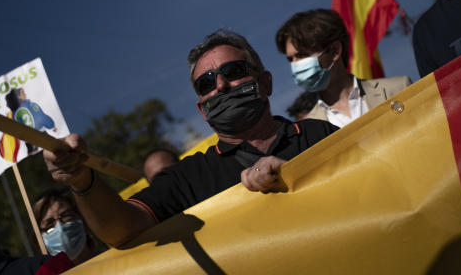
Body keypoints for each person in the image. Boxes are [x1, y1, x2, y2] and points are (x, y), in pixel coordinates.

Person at [42, 29, 337, 248]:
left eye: (233, 71)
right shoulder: (186, 178)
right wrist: (82, 181)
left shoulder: (319, 134)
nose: (221, 85)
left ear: (266, 82)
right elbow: (123, 229)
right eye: (206, 83)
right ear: (202, 110)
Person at [275, 9, 411, 127]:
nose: (295, 65)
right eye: (290, 59)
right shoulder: (308, 129)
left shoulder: (399, 88)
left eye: (302, 55)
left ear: (334, 51)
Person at [33, 188, 101, 264]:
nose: (60, 227)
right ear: (40, 239)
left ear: (83, 220)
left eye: (66, 216)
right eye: (49, 224)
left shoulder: (112, 262)